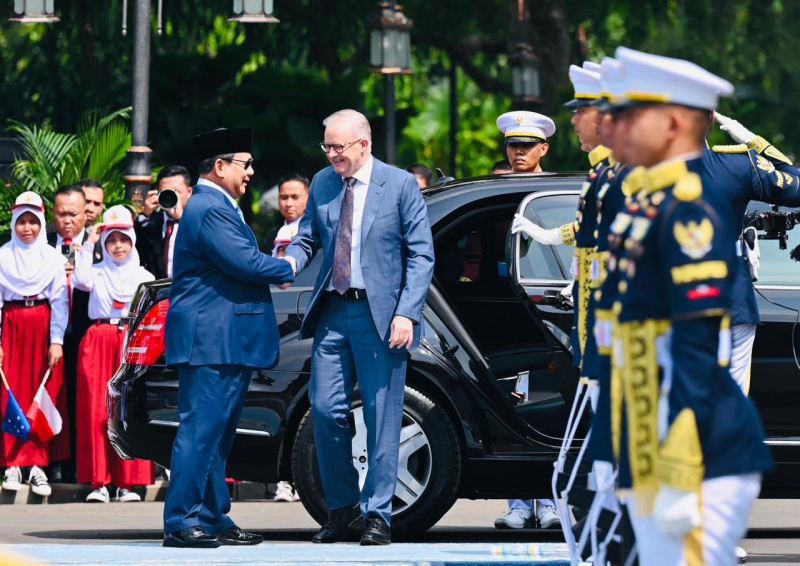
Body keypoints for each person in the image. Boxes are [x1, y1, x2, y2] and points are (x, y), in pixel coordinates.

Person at [609, 46, 772, 566]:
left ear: (675, 122)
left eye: (634, 115)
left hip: (693, 459)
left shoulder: (687, 214)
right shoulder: (648, 201)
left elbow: (700, 352)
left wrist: (680, 473)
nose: (619, 125)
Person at [283, 109, 434, 546]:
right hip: (333, 311)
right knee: (327, 410)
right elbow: (308, 235)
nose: (332, 154)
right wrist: (290, 261)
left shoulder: (400, 185)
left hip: (381, 316)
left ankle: (377, 514)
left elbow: (422, 255)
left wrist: (407, 312)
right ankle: (341, 507)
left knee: (382, 416)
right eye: (326, 146)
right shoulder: (325, 182)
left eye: (338, 147)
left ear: (363, 145)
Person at [162, 128, 294, 548]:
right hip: (210, 339)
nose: (252, 171)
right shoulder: (210, 207)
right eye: (245, 163)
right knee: (201, 432)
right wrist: (291, 263)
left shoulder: (215, 204)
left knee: (216, 436)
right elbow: (248, 264)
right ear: (219, 166)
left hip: (220, 338)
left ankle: (213, 518)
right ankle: (181, 521)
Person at [492, 111, 564, 531]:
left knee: (551, 407)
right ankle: (519, 502)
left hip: (552, 308)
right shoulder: (497, 190)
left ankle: (551, 500)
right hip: (508, 308)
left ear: (543, 149)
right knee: (515, 406)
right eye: (512, 145)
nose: (517, 152)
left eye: (526, 146)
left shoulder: (554, 193)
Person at [73, 206, 155, 503]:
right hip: (98, 339)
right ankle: (99, 482)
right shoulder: (94, 271)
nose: (117, 246)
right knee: (96, 410)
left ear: (132, 241)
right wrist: (89, 241)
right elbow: (79, 281)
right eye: (111, 240)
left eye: (123, 239)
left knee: (128, 408)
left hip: (131, 341)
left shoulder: (144, 275)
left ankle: (128, 483)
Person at [0, 191, 69, 497]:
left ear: (42, 223)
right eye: (21, 222)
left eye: (33, 222)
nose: (27, 228)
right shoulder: (2, 257)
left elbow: (60, 302)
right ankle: (12, 464)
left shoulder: (53, 258)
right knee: (11, 390)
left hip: (42, 325)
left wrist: (56, 340)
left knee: (42, 393)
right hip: (12, 325)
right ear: (14, 223)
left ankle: (38, 465)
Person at [46, 185, 90, 482]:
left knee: (84, 398)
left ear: (86, 213)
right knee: (56, 396)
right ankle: (56, 464)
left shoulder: (103, 243)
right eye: (61, 214)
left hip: (88, 330)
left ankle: (83, 465)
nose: (67, 221)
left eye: (73, 214)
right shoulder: (42, 241)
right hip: (53, 335)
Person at [135, 165, 194, 279]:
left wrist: (182, 218)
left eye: (177, 191)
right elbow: (136, 255)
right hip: (161, 292)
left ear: (189, 192)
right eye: (165, 192)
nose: (171, 195)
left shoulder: (197, 221)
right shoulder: (151, 223)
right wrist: (145, 214)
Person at [264, 174, 309, 259]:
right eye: (284, 197)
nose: (288, 204)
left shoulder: (316, 233)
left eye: (295, 197)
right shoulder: (272, 236)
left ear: (308, 198)